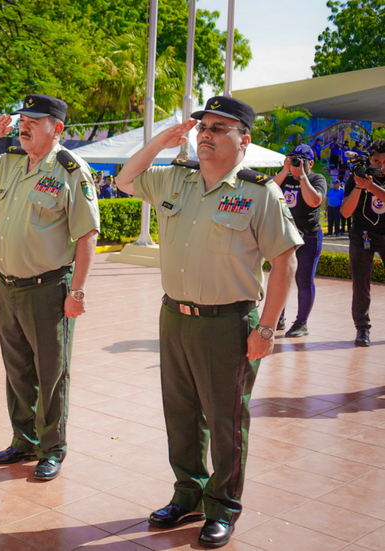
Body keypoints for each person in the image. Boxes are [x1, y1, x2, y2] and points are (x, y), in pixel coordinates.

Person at [115, 96, 301, 548]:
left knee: (224, 421)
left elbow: (284, 263)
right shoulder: (175, 179)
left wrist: (266, 329)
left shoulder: (260, 193)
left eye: (220, 128)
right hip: (174, 317)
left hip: (228, 323)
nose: (207, 134)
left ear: (244, 139)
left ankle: (223, 507)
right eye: (203, 126)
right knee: (180, 416)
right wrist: (161, 140)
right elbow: (125, 180)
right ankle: (188, 494)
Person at [0, 94, 100, 481]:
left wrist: (78, 292)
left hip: (49, 288)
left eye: (34, 121)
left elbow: (87, 235)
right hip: (9, 287)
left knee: (51, 372)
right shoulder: (9, 163)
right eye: (23, 119)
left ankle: (52, 448)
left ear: (56, 128)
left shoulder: (72, 171)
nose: (24, 126)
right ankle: (23, 440)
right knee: (18, 368)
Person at [273, 144, 326, 337]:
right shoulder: (284, 178)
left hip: (308, 237)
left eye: (300, 160)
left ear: (310, 163)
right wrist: (285, 170)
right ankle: (278, 317)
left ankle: (301, 323)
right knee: (280, 277)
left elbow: (314, 201)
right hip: (286, 236)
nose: (296, 163)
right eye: (293, 158)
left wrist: (302, 176)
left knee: (304, 280)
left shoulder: (316, 178)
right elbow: (266, 190)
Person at [339, 138, 385, 347]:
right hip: (362, 235)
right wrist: (360, 186)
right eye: (376, 162)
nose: (381, 167)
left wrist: (372, 186)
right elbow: (346, 212)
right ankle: (362, 328)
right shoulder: (358, 175)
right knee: (360, 285)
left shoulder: (372, 179)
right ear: (370, 159)